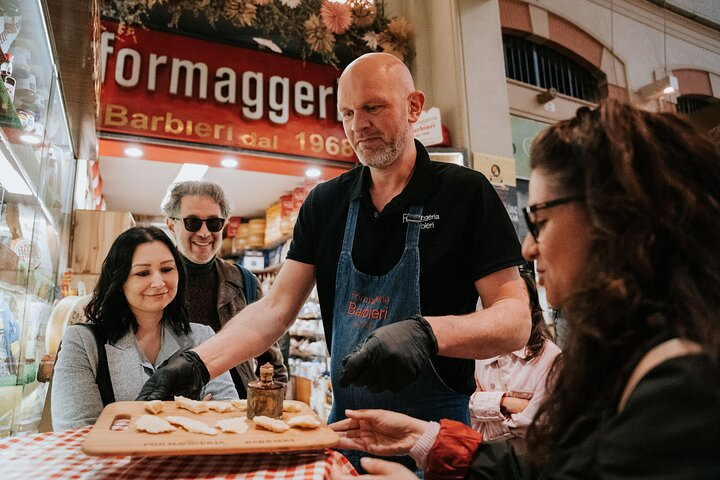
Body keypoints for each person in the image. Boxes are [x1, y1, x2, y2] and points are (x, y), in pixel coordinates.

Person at [138, 52, 530, 467]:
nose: (358, 126)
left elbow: (515, 319)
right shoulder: (325, 204)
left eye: (373, 108)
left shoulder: (464, 194)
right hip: (346, 430)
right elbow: (274, 309)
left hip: (435, 438)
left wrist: (428, 333)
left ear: (414, 106)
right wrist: (199, 364)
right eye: (346, 113)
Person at [328, 100, 720, 479]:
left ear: (616, 220)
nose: (529, 248)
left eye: (541, 221)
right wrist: (425, 438)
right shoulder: (620, 356)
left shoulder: (683, 387)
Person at [51, 226, 237, 430]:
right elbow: (77, 434)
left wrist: (119, 423)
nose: (158, 282)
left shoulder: (202, 337)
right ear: (119, 280)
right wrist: (187, 417)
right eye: (143, 273)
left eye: (167, 269)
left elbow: (226, 419)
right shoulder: (81, 342)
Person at [162, 180, 287, 397]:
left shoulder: (244, 282)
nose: (204, 233)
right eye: (192, 222)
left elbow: (271, 361)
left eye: (213, 223)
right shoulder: (154, 282)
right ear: (172, 225)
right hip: (176, 411)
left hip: (239, 411)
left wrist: (268, 407)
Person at [470, 269, 560, 452]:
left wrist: (487, 412)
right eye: (499, 299)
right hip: (484, 465)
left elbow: (541, 422)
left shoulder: (551, 357)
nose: (506, 307)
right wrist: (504, 403)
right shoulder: (478, 354)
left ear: (532, 307)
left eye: (516, 297)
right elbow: (466, 405)